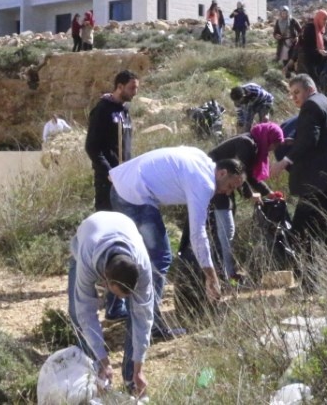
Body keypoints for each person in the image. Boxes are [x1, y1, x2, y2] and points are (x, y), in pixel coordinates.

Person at [109, 147, 246, 337]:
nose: (227, 193)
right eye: (230, 186)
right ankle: (150, 325)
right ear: (222, 173)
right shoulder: (204, 183)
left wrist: (119, 174)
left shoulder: (201, 158)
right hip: (133, 197)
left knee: (140, 256)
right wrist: (211, 276)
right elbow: (197, 234)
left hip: (124, 186)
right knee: (159, 257)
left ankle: (124, 310)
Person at [270, 74, 327, 287]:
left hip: (319, 183)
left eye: (296, 92)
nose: (294, 98)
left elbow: (310, 140)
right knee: (322, 230)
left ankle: (311, 284)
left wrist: (284, 161)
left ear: (309, 89)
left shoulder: (312, 106)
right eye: (291, 94)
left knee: (302, 231)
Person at [67, 211, 154, 397]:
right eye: (118, 294)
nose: (123, 300)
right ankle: (93, 375)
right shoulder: (87, 259)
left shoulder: (142, 266)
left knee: (136, 313)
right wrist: (104, 360)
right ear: (105, 282)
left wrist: (140, 367)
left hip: (124, 226)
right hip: (88, 235)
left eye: (126, 296)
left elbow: (143, 317)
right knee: (75, 311)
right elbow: (86, 312)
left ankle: (132, 379)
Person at [85, 70, 139, 321]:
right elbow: (93, 147)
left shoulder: (124, 112)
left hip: (125, 180)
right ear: (119, 86)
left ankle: (118, 295)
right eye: (131, 88)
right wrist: (108, 173)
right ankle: (111, 299)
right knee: (111, 237)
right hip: (109, 182)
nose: (134, 93)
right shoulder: (103, 110)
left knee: (124, 234)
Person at [206, 122, 285, 281]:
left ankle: (226, 272)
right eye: (272, 145)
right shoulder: (247, 144)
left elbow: (247, 175)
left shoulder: (252, 143)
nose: (271, 150)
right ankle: (225, 275)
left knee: (225, 230)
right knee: (226, 230)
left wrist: (268, 193)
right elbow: (241, 174)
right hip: (215, 184)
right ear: (267, 138)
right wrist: (250, 194)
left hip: (223, 185)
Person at [297, 10, 327, 89]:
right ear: (319, 18)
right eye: (324, 19)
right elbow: (305, 46)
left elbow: (324, 43)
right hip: (307, 61)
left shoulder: (322, 29)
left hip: (317, 61)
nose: (326, 21)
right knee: (310, 84)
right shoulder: (309, 28)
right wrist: (318, 51)